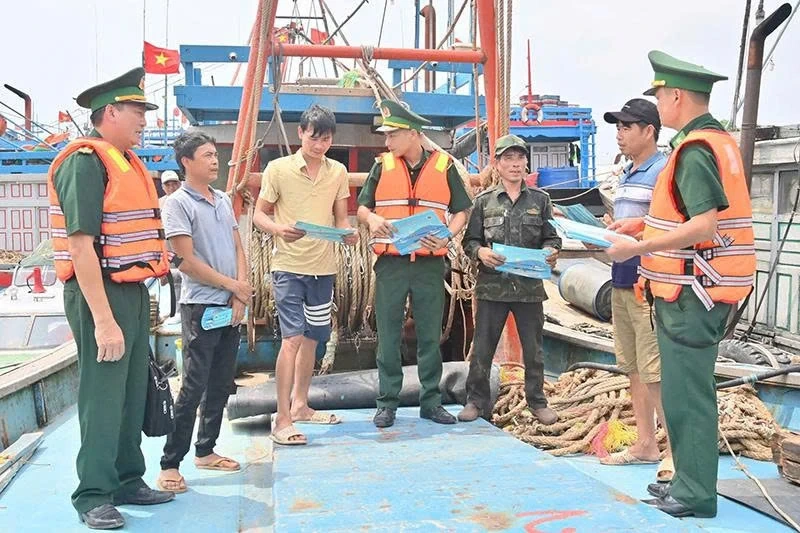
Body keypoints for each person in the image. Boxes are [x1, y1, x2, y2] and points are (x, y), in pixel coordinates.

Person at [606, 51, 756, 518]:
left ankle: (695, 493)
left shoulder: (693, 151)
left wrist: (636, 250)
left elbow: (704, 226)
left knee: (688, 394)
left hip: (693, 294)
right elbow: (684, 217)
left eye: (659, 94)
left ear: (674, 96)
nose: (659, 102)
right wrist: (642, 230)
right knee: (682, 391)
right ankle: (689, 483)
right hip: (696, 292)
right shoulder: (717, 142)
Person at [47, 67, 174, 530]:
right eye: (137, 110)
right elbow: (82, 245)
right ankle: (92, 493)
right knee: (102, 395)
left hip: (133, 292)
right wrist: (103, 320)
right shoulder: (87, 162)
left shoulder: (129, 162)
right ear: (111, 112)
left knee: (130, 390)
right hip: (98, 294)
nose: (144, 118)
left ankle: (127, 478)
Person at [357, 100, 472, 428]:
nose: (387, 141)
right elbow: (363, 208)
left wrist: (448, 237)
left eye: (392, 135)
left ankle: (431, 402)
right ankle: (387, 403)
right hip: (391, 264)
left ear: (413, 134)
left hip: (429, 266)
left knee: (429, 334)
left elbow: (462, 210)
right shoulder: (382, 166)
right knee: (389, 335)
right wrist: (373, 219)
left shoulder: (444, 166)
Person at [253, 104, 357, 445]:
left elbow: (341, 219)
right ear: (301, 133)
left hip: (323, 269)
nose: (320, 145)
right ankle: (281, 419)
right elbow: (259, 215)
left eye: (326, 139)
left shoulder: (338, 171)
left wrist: (349, 234)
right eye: (314, 138)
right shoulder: (278, 169)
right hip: (288, 268)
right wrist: (279, 230)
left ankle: (301, 405)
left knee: (314, 338)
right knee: (292, 339)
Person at [157, 130, 250, 492]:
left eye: (215, 154)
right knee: (193, 385)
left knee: (221, 382)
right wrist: (232, 287)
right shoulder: (177, 204)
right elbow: (186, 262)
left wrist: (241, 292)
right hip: (201, 306)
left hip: (229, 304)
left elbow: (238, 247)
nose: (215, 161)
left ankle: (206, 450)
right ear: (186, 163)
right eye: (208, 155)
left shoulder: (223, 199)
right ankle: (169, 463)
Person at [458, 134, 560, 424]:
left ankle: (537, 402)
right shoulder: (483, 203)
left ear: (526, 163)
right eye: (508, 159)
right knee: (482, 349)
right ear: (497, 165)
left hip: (529, 289)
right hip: (492, 287)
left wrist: (551, 251)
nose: (515, 164)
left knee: (534, 350)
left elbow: (552, 237)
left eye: (520, 158)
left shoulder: (541, 201)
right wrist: (481, 254)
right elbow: (470, 241)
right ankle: (476, 402)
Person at [599, 99, 673, 479]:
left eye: (627, 127)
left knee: (655, 370)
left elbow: (672, 224)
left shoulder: (663, 171)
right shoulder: (628, 173)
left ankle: (674, 452)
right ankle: (646, 442)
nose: (620, 133)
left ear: (649, 131)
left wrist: (636, 227)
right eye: (618, 127)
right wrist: (613, 225)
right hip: (622, 280)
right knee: (633, 369)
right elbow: (636, 222)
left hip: (649, 283)